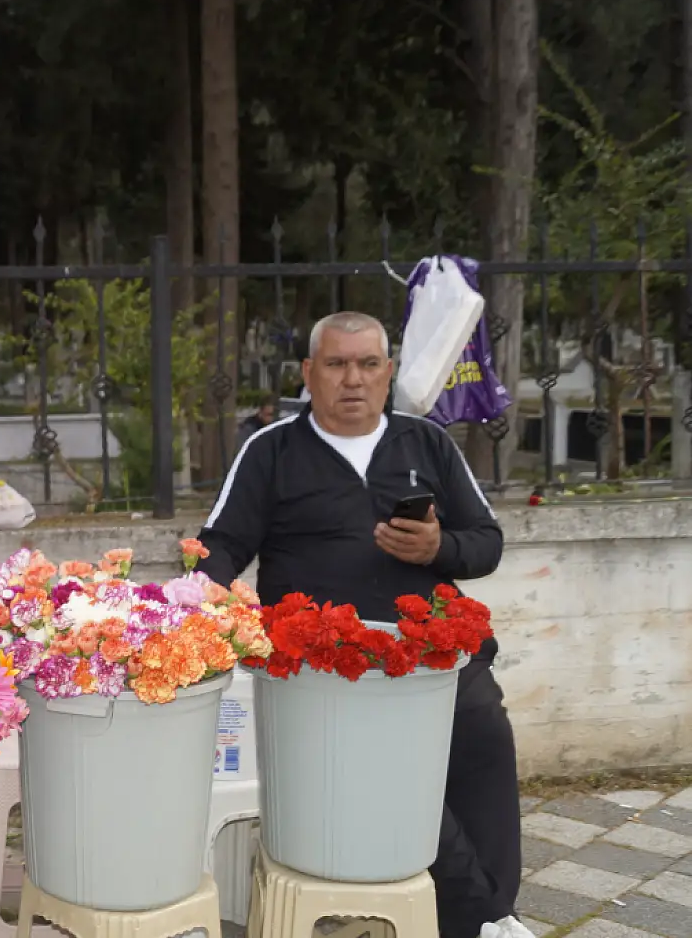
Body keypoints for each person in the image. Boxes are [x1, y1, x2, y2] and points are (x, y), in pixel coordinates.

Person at [194, 312, 528, 938]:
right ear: (308, 374)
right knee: (403, 781)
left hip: (433, 655)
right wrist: (202, 594)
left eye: (368, 364)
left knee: (485, 747)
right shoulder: (271, 451)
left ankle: (496, 912)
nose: (354, 379)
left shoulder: (427, 444)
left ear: (388, 373)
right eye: (337, 364)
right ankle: (480, 919)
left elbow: (486, 543)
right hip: (325, 670)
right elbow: (221, 545)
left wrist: (437, 549)